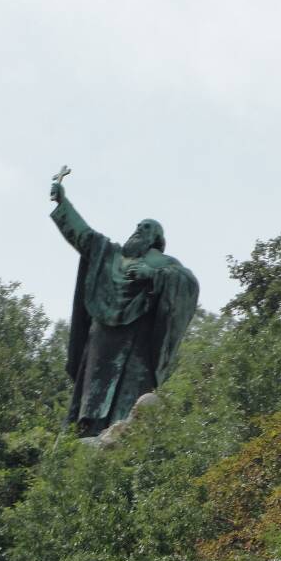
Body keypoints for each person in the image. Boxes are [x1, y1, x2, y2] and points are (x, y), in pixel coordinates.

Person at [49, 178, 199, 436]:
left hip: (136, 341)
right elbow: (84, 235)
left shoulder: (164, 263)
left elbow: (188, 284)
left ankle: (120, 435)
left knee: (129, 398)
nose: (139, 229)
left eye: (146, 227)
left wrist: (154, 276)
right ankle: (87, 432)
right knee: (91, 396)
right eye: (138, 226)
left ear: (156, 239)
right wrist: (63, 203)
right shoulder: (109, 254)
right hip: (101, 339)